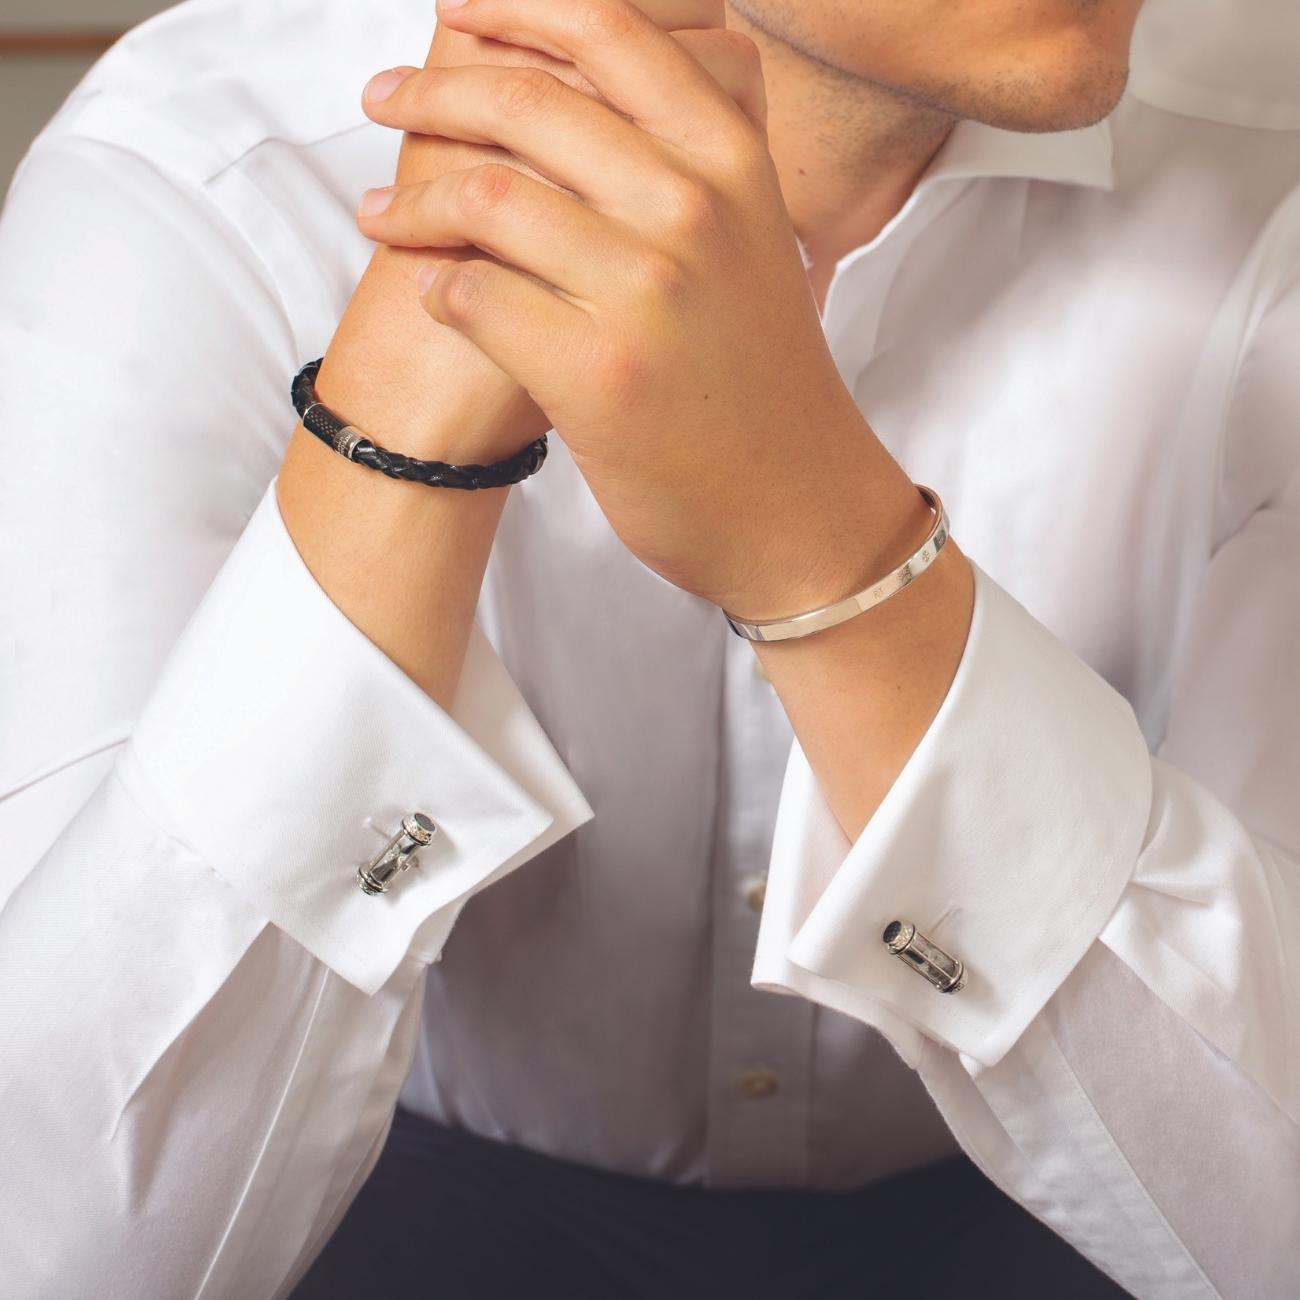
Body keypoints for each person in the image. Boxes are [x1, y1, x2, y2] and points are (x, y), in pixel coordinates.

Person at [0, 0, 1296, 1294]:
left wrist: (827, 553)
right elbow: (65, 1254)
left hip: (1072, 1224)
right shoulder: (203, 179)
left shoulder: (1274, 173)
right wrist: (403, 430)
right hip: (384, 1214)